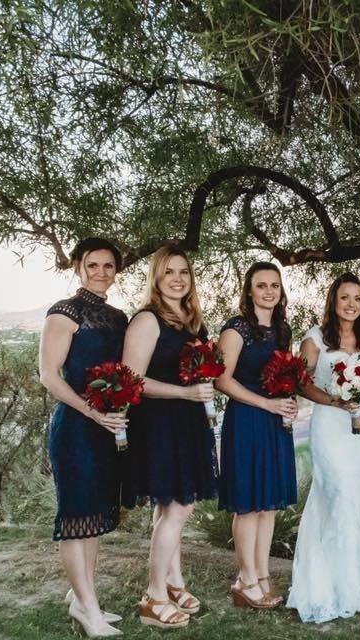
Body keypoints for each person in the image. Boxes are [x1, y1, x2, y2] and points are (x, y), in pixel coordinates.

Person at [121, 245, 218, 629]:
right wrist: (185, 392)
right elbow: (131, 380)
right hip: (159, 422)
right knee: (178, 508)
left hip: (189, 420)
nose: (178, 279)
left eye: (184, 272)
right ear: (156, 278)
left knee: (171, 507)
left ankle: (174, 583)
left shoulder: (192, 322)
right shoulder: (147, 320)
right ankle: (153, 596)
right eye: (169, 273)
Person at [39, 238, 128, 637]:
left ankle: (82, 598)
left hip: (107, 430)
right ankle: (88, 611)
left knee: (91, 518)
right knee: (76, 516)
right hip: (75, 429)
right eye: (93, 264)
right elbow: (48, 376)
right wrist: (92, 411)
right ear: (78, 266)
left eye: (108, 266)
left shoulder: (118, 316)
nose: (101, 272)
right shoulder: (63, 313)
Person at [287, 272, 360, 623]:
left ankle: (355, 589)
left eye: (357, 298)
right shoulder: (315, 339)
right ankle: (323, 587)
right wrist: (333, 399)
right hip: (330, 424)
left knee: (359, 501)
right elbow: (300, 382)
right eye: (345, 297)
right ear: (333, 300)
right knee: (336, 494)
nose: (351, 304)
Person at [215, 262, 298, 609]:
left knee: (268, 506)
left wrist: (287, 399)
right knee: (249, 505)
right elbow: (221, 380)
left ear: (281, 292)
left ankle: (262, 576)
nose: (268, 291)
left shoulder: (283, 331)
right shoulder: (236, 329)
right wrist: (266, 402)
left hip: (274, 422)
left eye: (274, 286)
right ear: (249, 290)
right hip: (248, 419)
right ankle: (245, 580)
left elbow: (287, 374)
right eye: (261, 285)